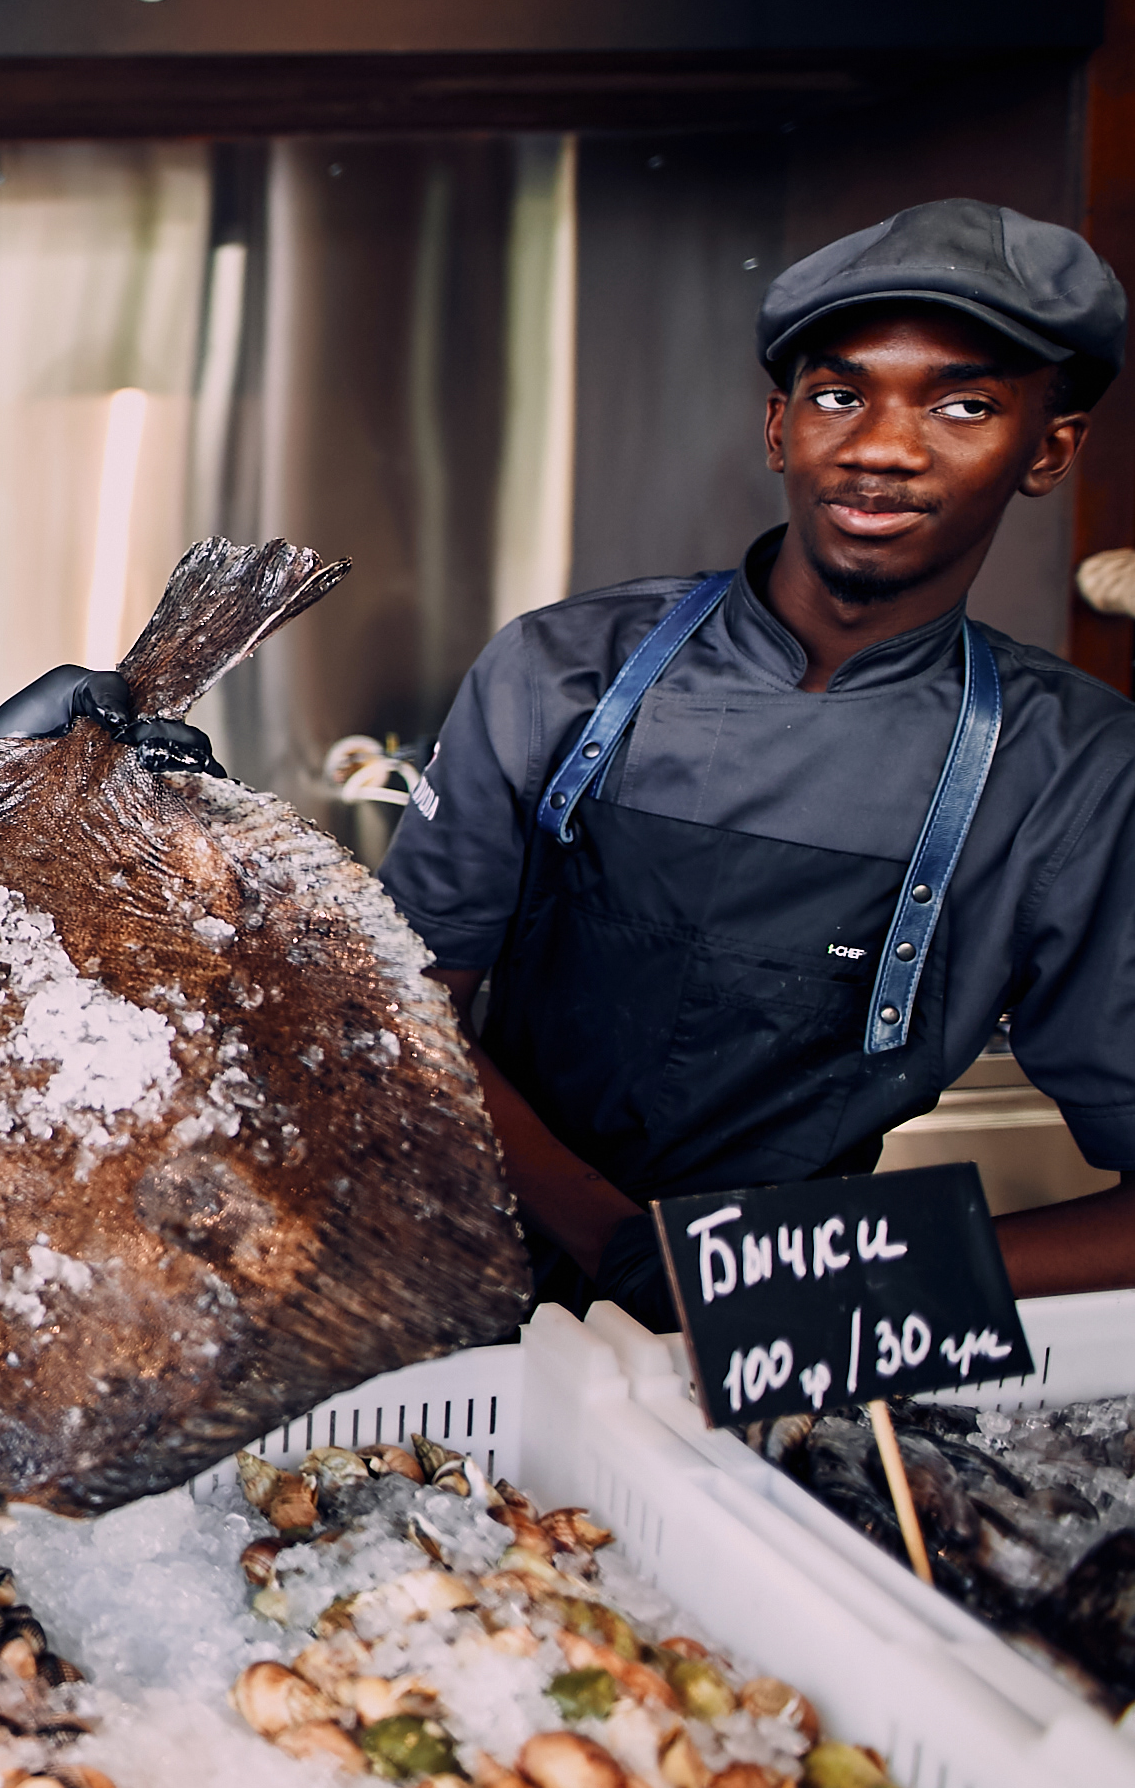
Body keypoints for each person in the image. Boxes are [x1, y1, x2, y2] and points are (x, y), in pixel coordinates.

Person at [378, 198, 1135, 1325]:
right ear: (780, 428)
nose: (880, 447)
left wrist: (799, 1281)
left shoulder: (1075, 772)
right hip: (435, 1282)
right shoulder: (559, 668)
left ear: (1049, 450)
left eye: (963, 405)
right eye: (839, 395)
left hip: (784, 1344)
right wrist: (616, 1243)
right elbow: (393, 1009)